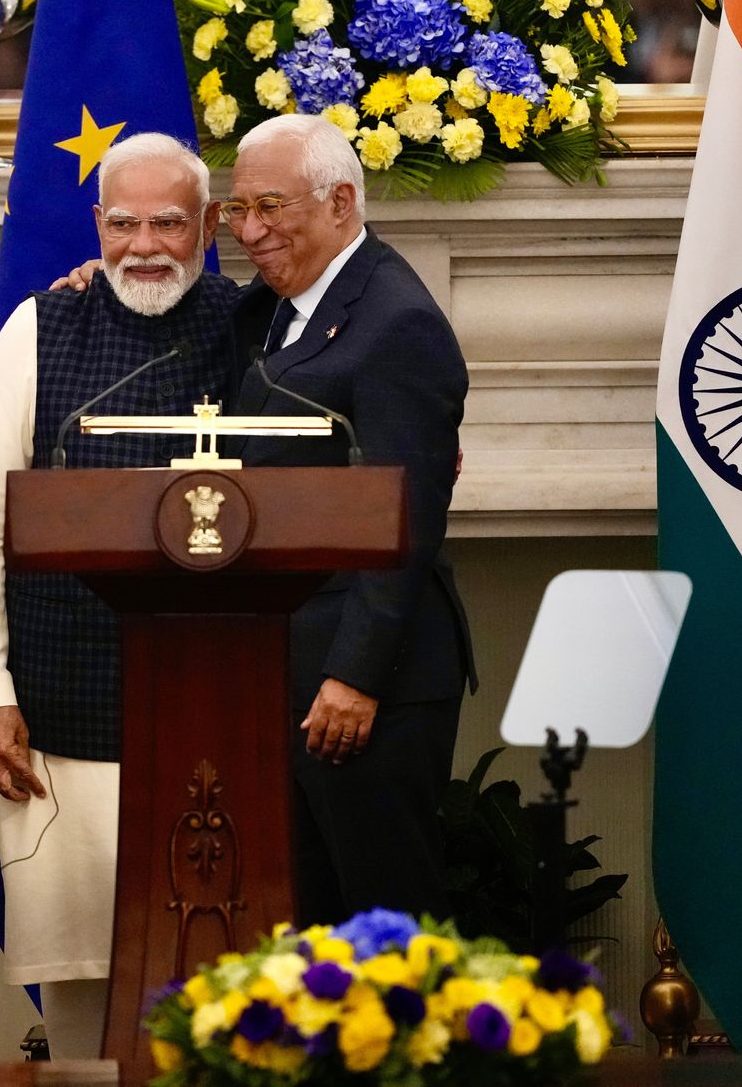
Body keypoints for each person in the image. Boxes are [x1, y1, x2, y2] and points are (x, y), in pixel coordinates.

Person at [0, 133, 239, 1057]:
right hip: (58, 713)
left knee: (216, 965)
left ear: (208, 228)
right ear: (96, 225)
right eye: (123, 223)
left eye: (167, 223)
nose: (144, 245)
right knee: (80, 987)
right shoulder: (40, 327)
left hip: (212, 707)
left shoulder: (255, 325)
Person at [222, 115, 475, 924]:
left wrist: (356, 676)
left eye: (270, 206)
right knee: (312, 932)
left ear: (339, 203)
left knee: (385, 930)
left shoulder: (396, 321)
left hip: (367, 692)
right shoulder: (273, 302)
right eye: (236, 210)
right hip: (284, 674)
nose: (250, 232)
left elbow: (404, 519)